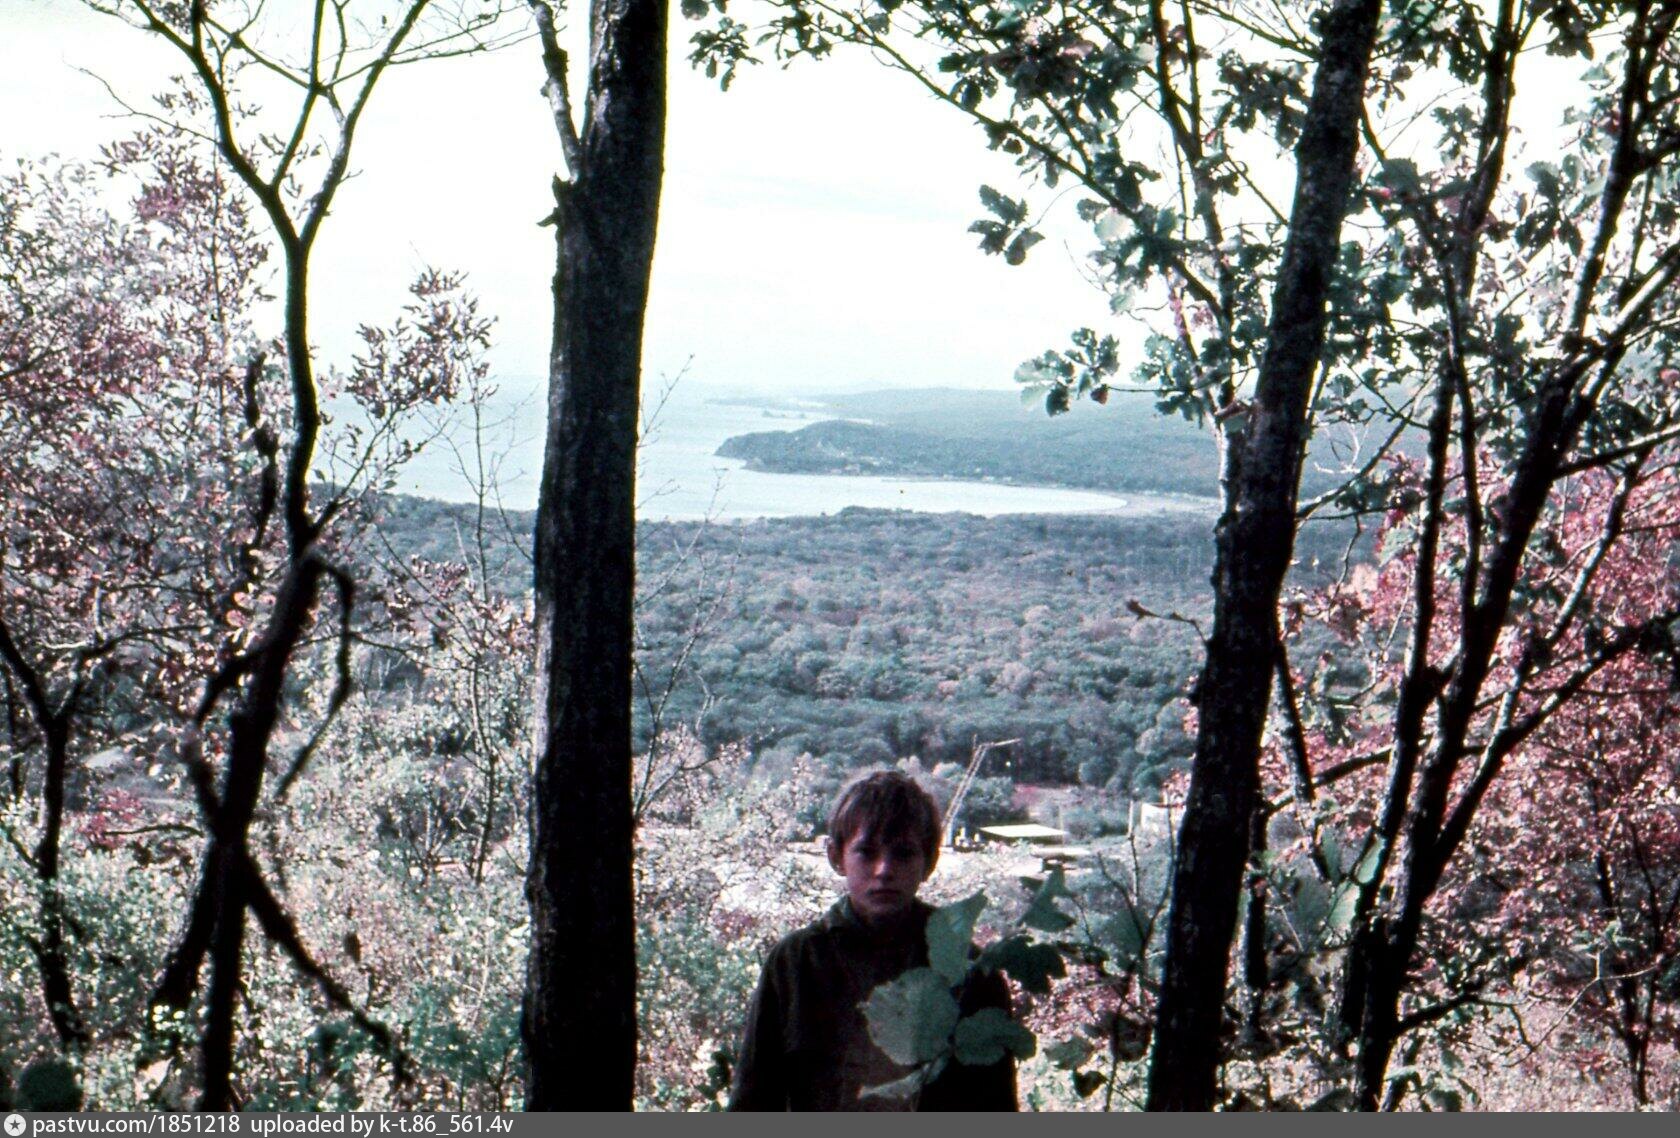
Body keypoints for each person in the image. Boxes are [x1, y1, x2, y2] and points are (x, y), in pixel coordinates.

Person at [727, 769, 1018, 1111]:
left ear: (929, 862)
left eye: (903, 854)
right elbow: (752, 1101)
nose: (884, 870)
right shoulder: (796, 962)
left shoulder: (969, 971)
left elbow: (996, 1106)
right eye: (866, 852)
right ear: (836, 856)